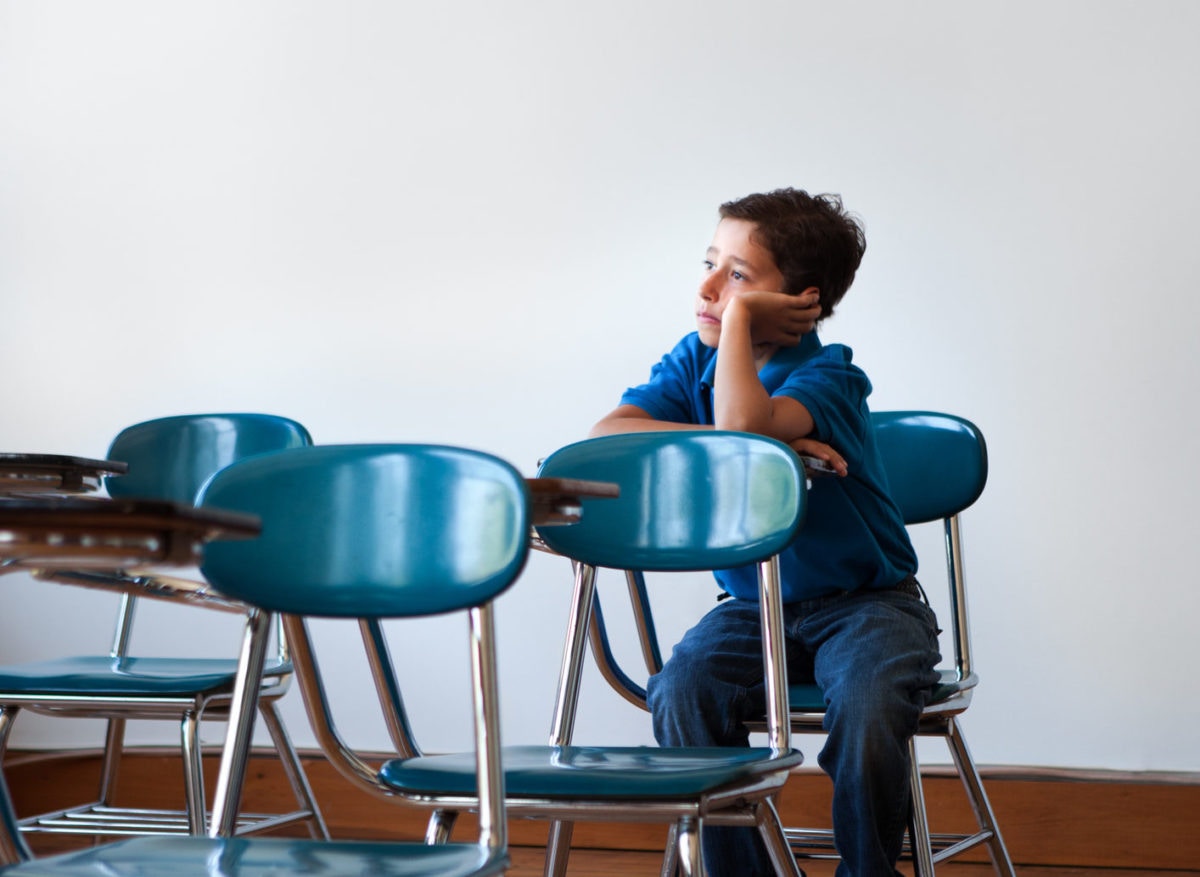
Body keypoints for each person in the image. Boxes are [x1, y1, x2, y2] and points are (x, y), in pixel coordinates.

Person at [589, 188, 942, 877]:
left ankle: (867, 871)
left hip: (869, 605)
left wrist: (746, 394)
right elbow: (610, 433)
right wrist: (743, 446)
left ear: (799, 300)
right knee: (682, 689)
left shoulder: (829, 376)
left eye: (740, 278)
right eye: (711, 264)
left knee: (870, 711)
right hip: (758, 609)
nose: (710, 288)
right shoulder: (697, 359)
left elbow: (745, 426)